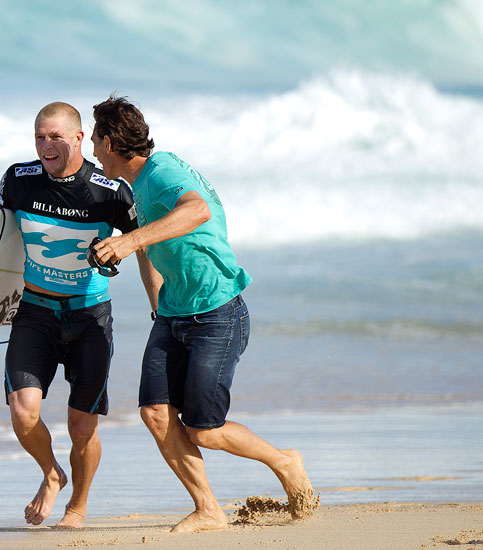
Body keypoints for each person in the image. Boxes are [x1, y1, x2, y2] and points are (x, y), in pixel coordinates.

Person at [88, 96, 317, 533]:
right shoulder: (139, 183)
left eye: (96, 141)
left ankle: (285, 462)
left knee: (204, 430)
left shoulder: (162, 171)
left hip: (218, 313)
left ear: (111, 141)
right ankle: (209, 509)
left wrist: (129, 242)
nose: (94, 152)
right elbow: (151, 245)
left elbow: (197, 210)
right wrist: (157, 302)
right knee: (155, 413)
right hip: (175, 312)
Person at [0, 102, 154, 529]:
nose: (46, 146)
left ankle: (78, 508)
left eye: (55, 137)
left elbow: (144, 243)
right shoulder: (17, 179)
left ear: (80, 138)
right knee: (23, 411)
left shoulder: (111, 191)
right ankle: (51, 473)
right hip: (35, 313)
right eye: (39, 137)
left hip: (89, 318)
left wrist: (160, 303)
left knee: (82, 427)